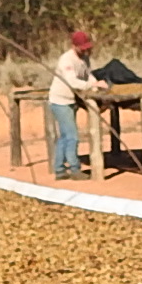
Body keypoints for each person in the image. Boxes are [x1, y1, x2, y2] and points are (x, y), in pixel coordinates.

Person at [47, 29, 106, 179]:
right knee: (72, 136)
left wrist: (96, 84)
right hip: (60, 100)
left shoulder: (84, 59)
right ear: (74, 46)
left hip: (70, 100)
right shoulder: (66, 60)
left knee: (65, 135)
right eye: (83, 47)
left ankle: (59, 169)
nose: (86, 50)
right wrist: (90, 86)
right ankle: (74, 169)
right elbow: (71, 81)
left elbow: (88, 75)